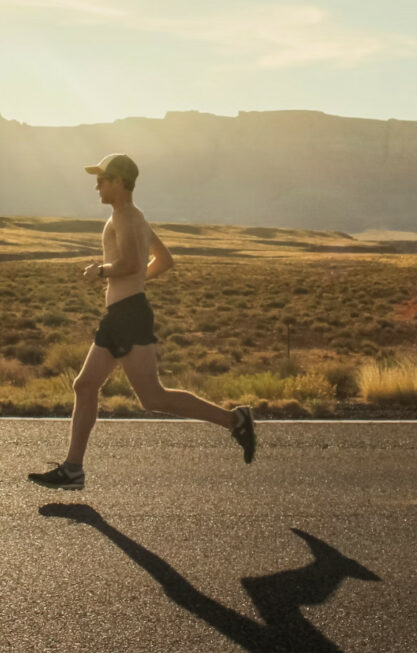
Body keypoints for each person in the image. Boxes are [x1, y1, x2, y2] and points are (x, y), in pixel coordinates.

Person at [28, 153, 256, 490]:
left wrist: (101, 272)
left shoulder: (125, 217)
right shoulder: (135, 217)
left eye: (102, 179)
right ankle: (73, 469)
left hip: (129, 316)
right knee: (85, 385)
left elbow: (133, 262)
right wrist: (135, 285)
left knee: (152, 397)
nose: (96, 185)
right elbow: (163, 260)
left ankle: (235, 420)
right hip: (121, 313)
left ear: (119, 182)